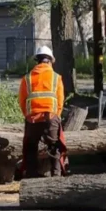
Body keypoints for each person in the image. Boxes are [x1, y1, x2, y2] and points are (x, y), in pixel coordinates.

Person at [17, 45, 66, 178]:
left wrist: (28, 115)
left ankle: (31, 176)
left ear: (37, 61)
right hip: (51, 117)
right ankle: (56, 175)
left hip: (32, 118)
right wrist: (56, 116)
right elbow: (60, 100)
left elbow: (22, 100)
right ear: (50, 61)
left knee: (31, 147)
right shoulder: (56, 77)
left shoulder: (27, 78)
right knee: (54, 147)